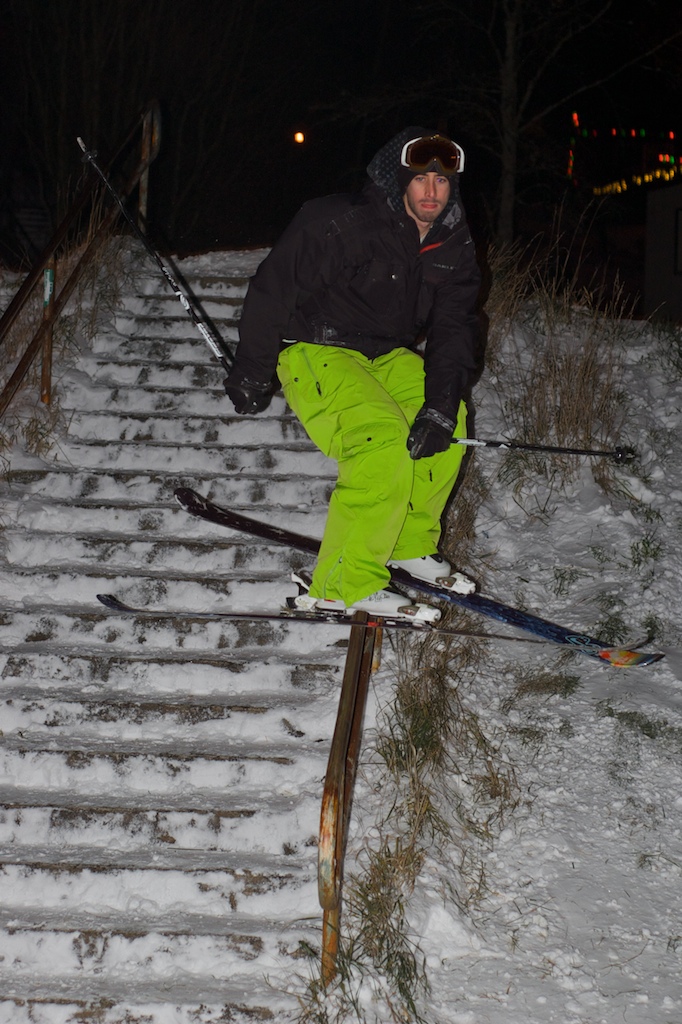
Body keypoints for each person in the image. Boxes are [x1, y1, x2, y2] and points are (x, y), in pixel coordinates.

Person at [224, 127, 481, 620]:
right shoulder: (340, 222)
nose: (432, 192)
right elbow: (273, 289)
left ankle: (406, 543)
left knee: (448, 424)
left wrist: (441, 404)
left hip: (386, 354)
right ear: (399, 180)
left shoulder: (452, 242)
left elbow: (455, 326)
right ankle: (342, 584)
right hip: (316, 347)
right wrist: (252, 371)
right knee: (381, 440)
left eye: (442, 182)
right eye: (421, 179)